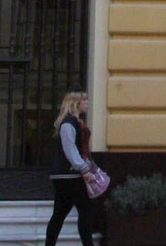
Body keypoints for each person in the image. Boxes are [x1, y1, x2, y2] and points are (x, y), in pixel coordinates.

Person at [45, 90, 98, 246]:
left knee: (59, 214)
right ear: (76, 103)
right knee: (85, 213)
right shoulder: (69, 123)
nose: (87, 103)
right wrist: (84, 169)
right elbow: (71, 150)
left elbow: (77, 149)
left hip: (64, 175)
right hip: (70, 176)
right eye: (85, 100)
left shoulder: (71, 122)